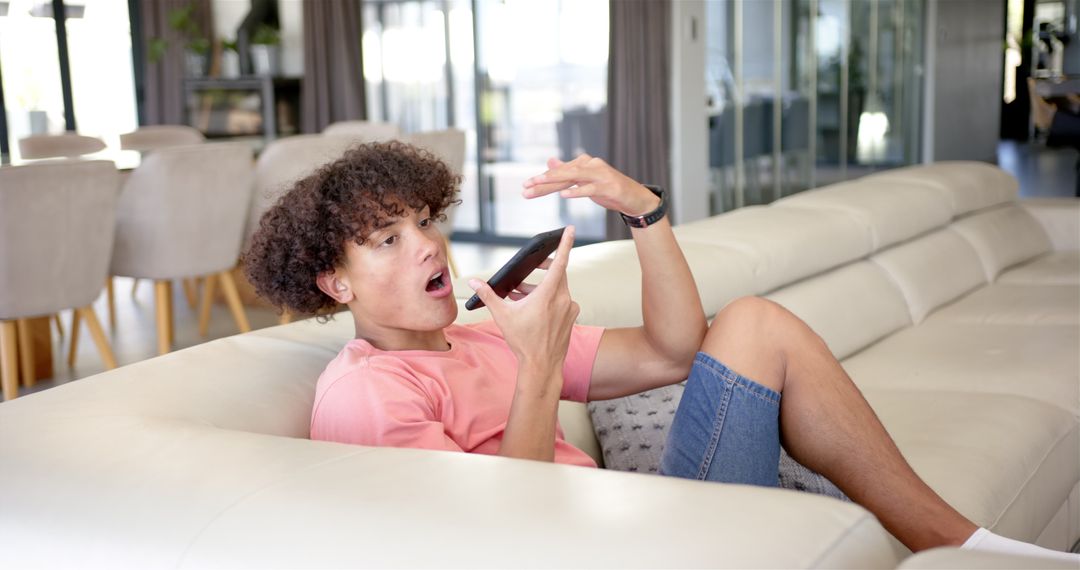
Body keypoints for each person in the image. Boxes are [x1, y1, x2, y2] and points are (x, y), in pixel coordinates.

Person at [244, 141, 1078, 562]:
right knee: (750, 324)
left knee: (749, 321)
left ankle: (954, 540)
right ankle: (960, 544)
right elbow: (493, 536)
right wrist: (540, 364)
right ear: (336, 284)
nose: (426, 247)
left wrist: (643, 212)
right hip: (593, 552)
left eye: (424, 221)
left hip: (631, 518)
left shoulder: (478, 331)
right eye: (385, 241)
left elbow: (677, 350)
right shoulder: (368, 395)